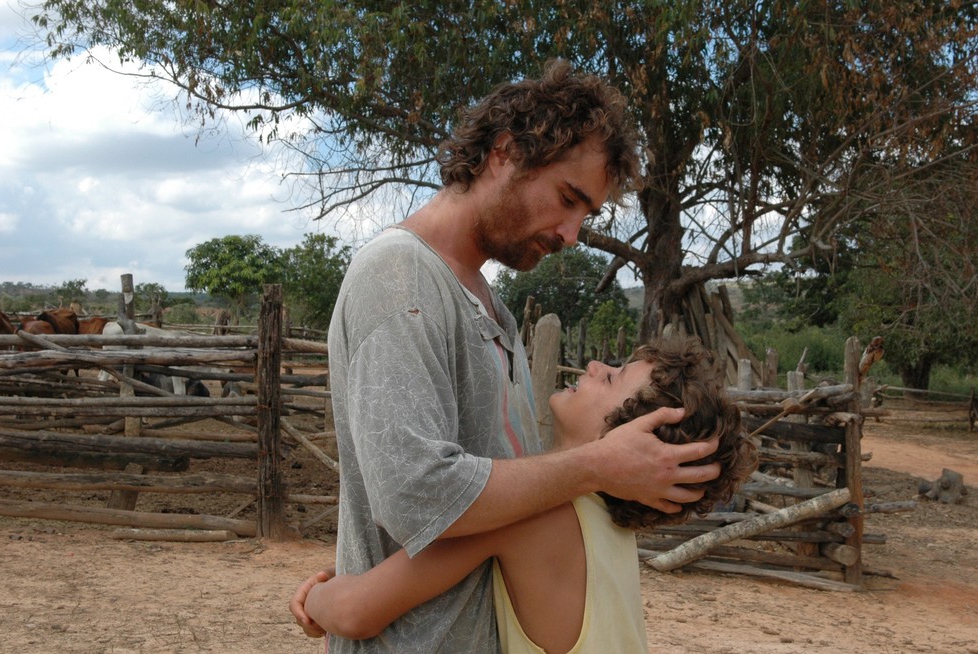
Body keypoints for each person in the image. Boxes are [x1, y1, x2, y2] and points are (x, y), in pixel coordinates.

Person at [295, 59, 724, 653]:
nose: (573, 234)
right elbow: (416, 494)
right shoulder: (400, 278)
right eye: (568, 198)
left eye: (586, 215)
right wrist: (600, 464)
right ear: (504, 154)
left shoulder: (491, 311)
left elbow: (513, 492)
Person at [291, 337, 757, 652]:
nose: (594, 366)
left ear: (636, 439)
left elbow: (356, 613)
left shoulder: (538, 516)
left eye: (612, 378)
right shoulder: (607, 529)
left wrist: (315, 599)